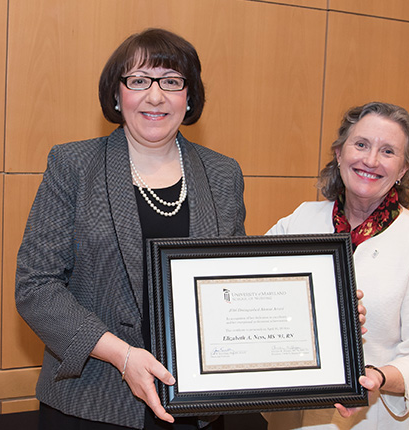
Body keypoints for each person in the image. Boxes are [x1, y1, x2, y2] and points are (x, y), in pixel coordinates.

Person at [15, 28, 245, 429]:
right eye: (138, 81)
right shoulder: (74, 166)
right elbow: (36, 287)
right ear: (117, 95)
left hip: (196, 403)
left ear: (189, 97)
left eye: (171, 82)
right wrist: (122, 355)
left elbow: (233, 281)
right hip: (91, 401)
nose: (155, 96)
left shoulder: (222, 173)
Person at [264, 102, 409, 430]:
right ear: (339, 153)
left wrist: (377, 378)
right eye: (361, 144)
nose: (371, 160)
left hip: (372, 420)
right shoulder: (299, 221)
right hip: (292, 417)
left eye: (388, 151)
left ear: (403, 170)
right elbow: (254, 290)